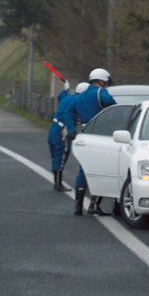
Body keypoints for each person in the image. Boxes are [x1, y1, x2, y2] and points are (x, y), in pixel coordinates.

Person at [64, 68, 116, 216]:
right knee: (101, 169)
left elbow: (68, 112)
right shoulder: (100, 92)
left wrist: (71, 129)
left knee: (83, 170)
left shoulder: (80, 97)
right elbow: (111, 103)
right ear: (102, 80)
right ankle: (94, 205)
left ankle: (78, 206)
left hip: (84, 134)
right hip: (100, 135)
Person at [47, 81, 89, 192]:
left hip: (54, 128)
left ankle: (57, 180)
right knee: (62, 154)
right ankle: (58, 183)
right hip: (63, 130)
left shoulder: (67, 96)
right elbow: (71, 116)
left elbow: (60, 95)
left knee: (56, 155)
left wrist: (65, 88)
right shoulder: (78, 102)